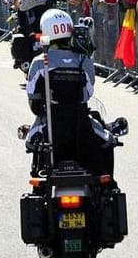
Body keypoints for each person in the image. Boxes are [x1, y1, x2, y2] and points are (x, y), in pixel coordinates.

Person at [22, 10, 113, 177]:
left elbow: (33, 99)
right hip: (81, 124)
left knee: (32, 143)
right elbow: (88, 93)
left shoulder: (39, 61)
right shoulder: (84, 59)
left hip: (51, 125)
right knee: (108, 140)